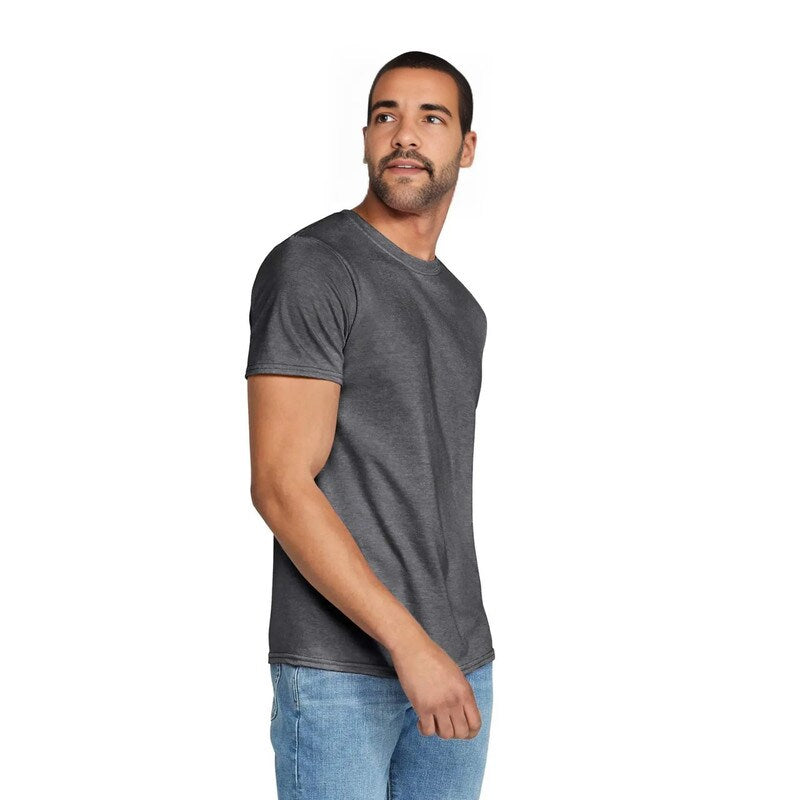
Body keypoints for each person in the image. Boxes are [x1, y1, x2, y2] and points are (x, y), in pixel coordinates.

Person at [245, 50, 495, 800]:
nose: (405, 134)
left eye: (431, 118)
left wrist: (446, 651)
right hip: (341, 674)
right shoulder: (315, 267)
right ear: (365, 139)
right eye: (387, 115)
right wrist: (410, 646)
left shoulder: (465, 310)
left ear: (467, 147)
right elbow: (281, 486)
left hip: (460, 662)